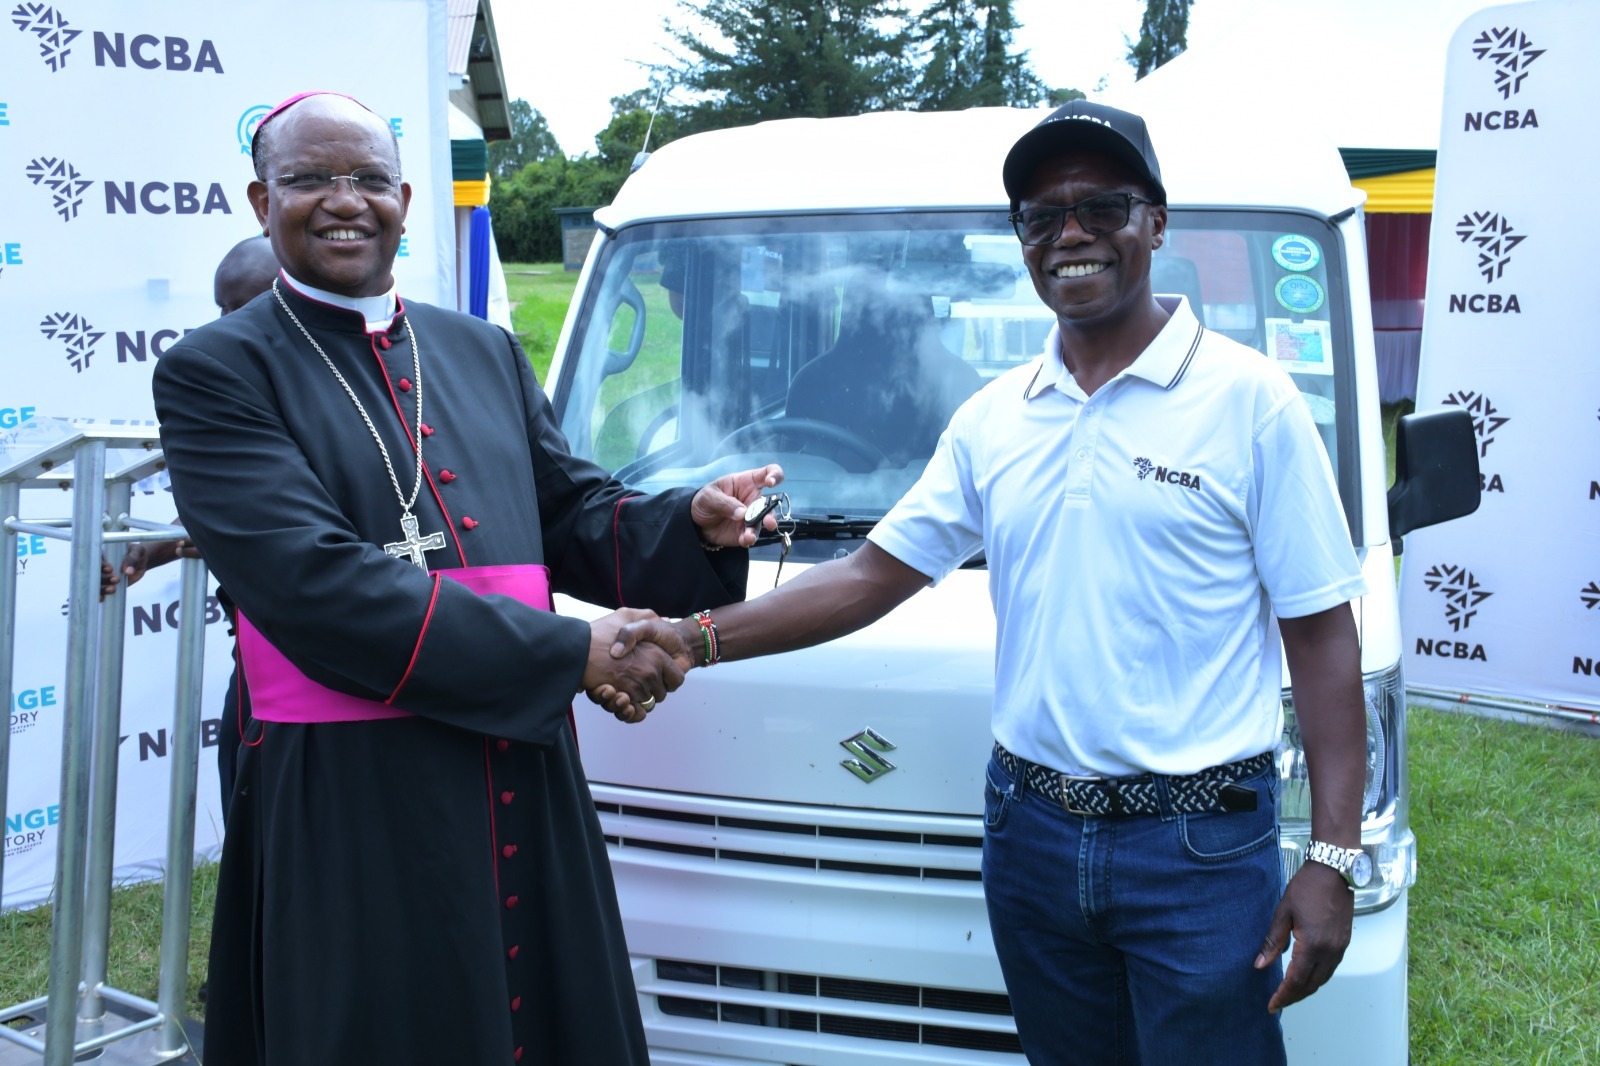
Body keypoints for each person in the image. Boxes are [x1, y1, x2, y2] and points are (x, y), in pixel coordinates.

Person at [602, 101, 1370, 1065]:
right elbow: (870, 577)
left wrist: (1333, 860)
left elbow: (1324, 640)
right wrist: (692, 637)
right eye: (1042, 216)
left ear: (1156, 223)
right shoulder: (998, 417)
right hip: (1032, 837)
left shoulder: (1252, 403)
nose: (1072, 233)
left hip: (1199, 853)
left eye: (1103, 206)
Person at [151, 90, 779, 1065]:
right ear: (259, 198)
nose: (342, 200)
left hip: (519, 761)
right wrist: (576, 649)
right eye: (309, 178)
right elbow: (315, 584)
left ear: (404, 197)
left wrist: (687, 526)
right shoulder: (216, 370)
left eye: (366, 179)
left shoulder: (478, 348)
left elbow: (572, 510)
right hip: (354, 792)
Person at [102, 234, 280, 821]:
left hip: (322, 670)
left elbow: (278, 516)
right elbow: (233, 505)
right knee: (250, 826)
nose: (226, 325)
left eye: (244, 308)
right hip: (257, 662)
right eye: (220, 308)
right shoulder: (226, 389)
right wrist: (151, 549)